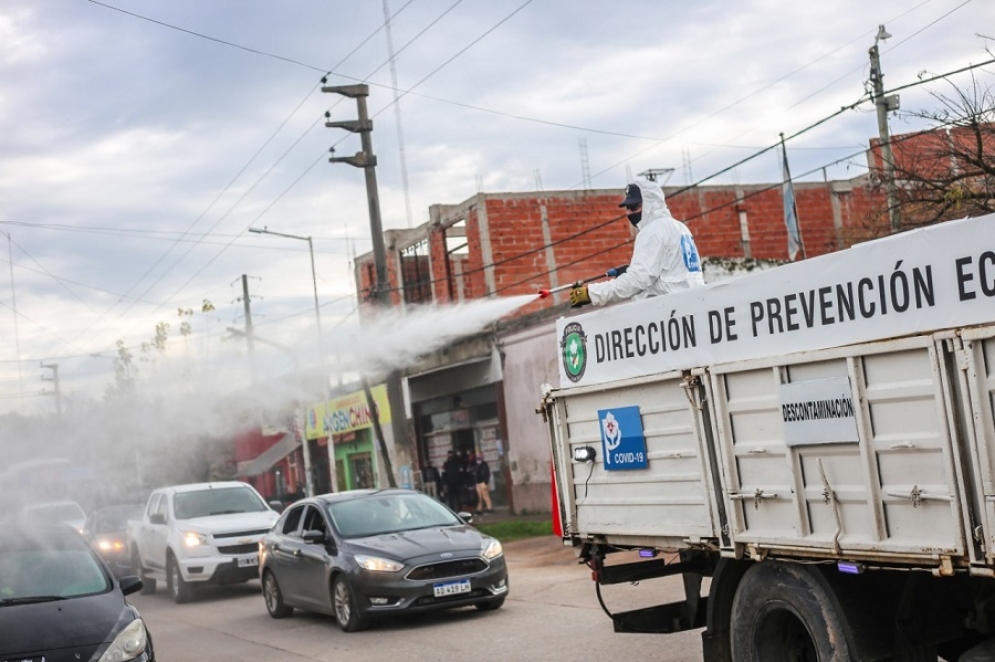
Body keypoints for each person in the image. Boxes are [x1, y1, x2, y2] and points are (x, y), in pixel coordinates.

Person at [570, 179, 704, 307]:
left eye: (634, 207)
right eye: (627, 208)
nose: (629, 213)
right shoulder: (680, 227)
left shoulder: (653, 230)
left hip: (667, 310)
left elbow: (638, 279)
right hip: (695, 303)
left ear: (651, 203)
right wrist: (630, 271)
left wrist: (591, 293)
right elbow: (669, 271)